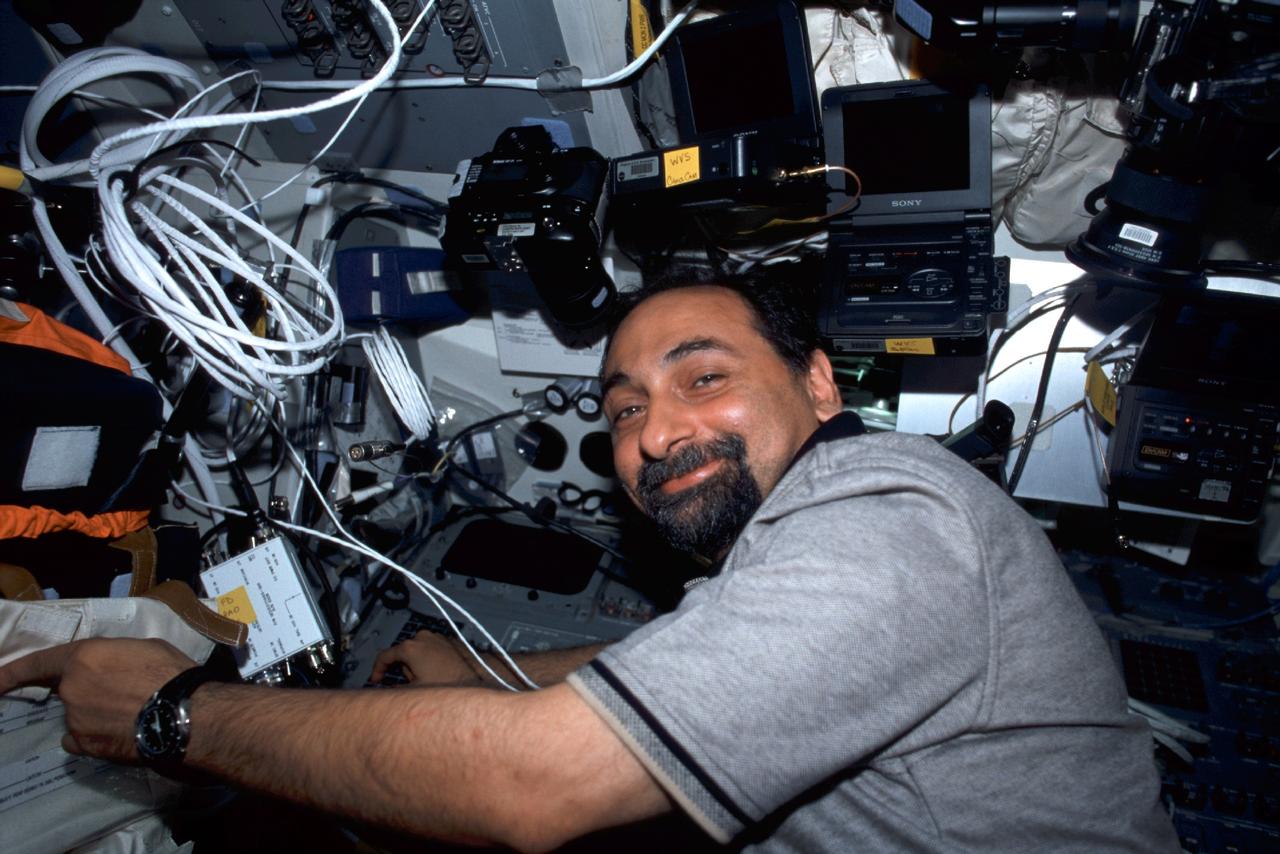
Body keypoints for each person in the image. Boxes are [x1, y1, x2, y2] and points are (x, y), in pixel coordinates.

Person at [0, 274, 1179, 851]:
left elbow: (537, 785)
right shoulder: (799, 545)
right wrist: (484, 675)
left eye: (701, 378)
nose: (654, 433)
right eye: (621, 410)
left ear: (819, 381)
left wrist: (175, 714)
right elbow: (683, 660)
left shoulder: (886, 509)